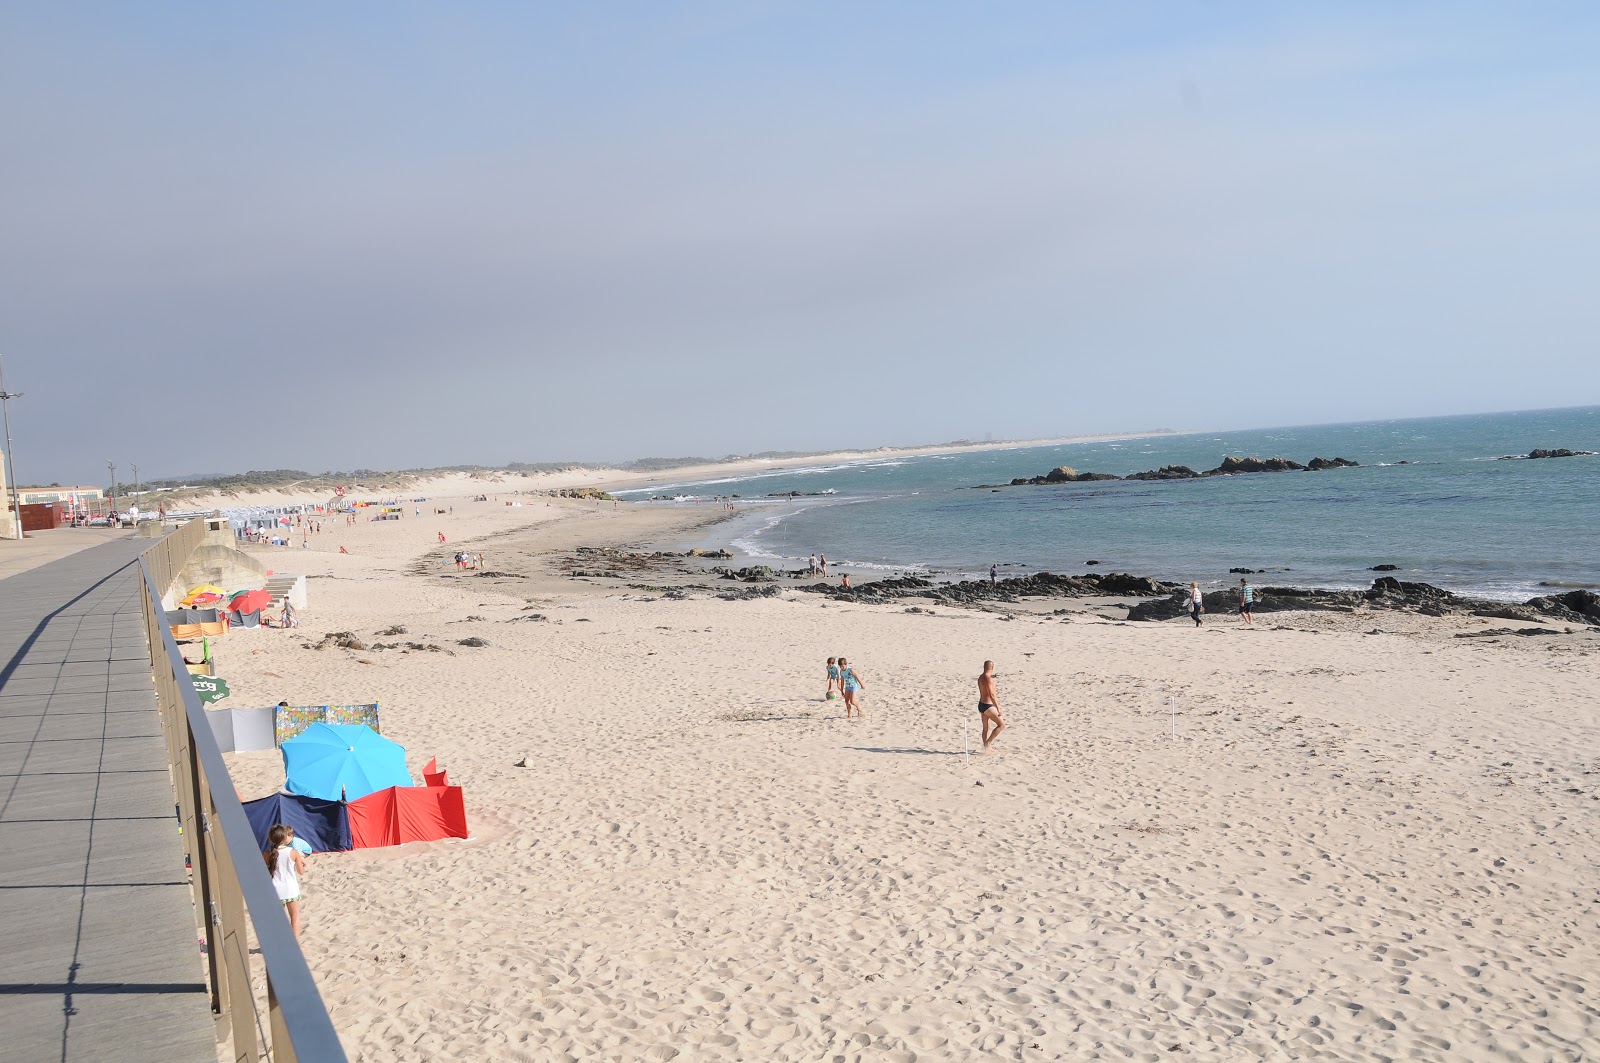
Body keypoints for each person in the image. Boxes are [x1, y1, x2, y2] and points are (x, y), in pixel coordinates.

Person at [265, 824, 307, 938]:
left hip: (275, 889)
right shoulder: (293, 852)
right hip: (290, 888)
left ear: (270, 838)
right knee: (295, 916)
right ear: (285, 837)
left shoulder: (267, 854)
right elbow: (301, 871)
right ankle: (295, 943)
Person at [978, 660, 1005, 749]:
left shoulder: (981, 677)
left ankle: (986, 748)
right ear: (992, 668)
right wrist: (998, 708)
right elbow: (991, 694)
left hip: (981, 704)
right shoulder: (987, 678)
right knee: (1001, 725)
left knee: (986, 728)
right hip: (987, 705)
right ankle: (988, 743)